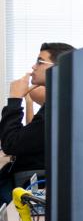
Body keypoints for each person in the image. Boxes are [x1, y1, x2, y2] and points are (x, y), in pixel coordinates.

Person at [0, 42, 75, 204]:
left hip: (27, 182)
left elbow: (11, 143)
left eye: (40, 62)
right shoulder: (60, 101)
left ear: (58, 68)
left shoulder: (60, 107)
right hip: (27, 179)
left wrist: (14, 100)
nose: (33, 67)